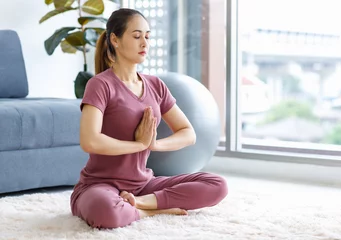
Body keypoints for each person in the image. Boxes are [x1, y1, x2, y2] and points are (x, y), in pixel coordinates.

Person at [70, 8, 228, 229]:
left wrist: (153, 144)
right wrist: (138, 145)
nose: (144, 43)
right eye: (136, 36)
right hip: (99, 186)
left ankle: (141, 203)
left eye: (147, 36)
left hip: (143, 185)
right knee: (106, 212)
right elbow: (90, 141)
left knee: (217, 184)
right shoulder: (100, 85)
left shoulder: (155, 85)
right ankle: (150, 211)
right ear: (115, 40)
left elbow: (188, 133)